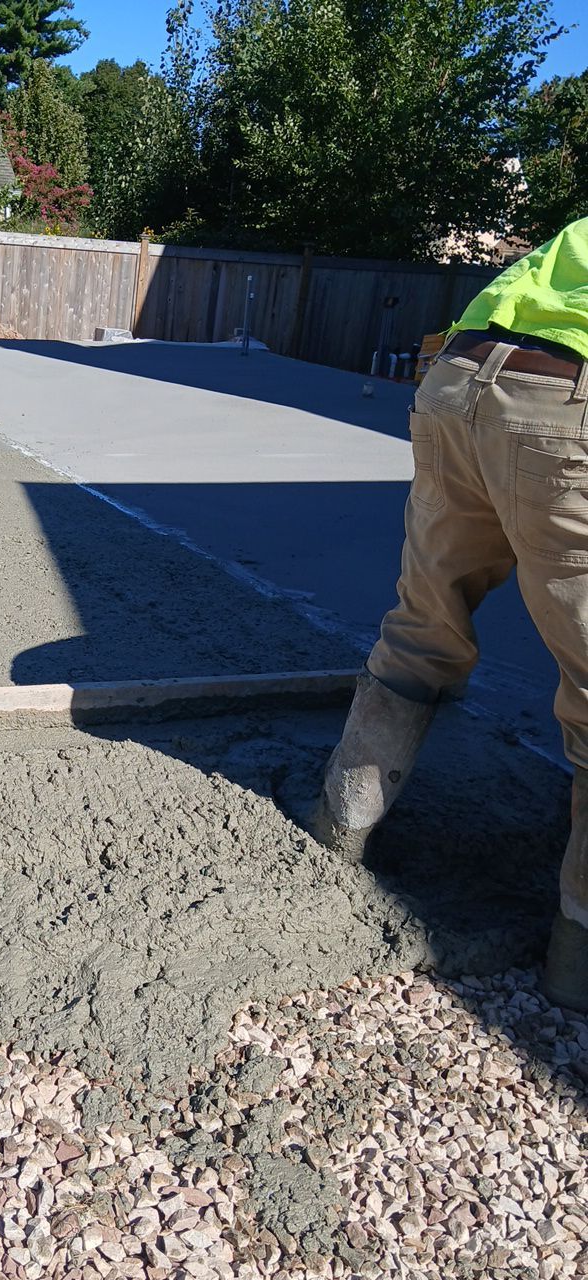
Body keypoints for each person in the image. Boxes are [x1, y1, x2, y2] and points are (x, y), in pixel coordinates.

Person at [310, 217, 588, 1013]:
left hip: (458, 382)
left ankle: (339, 827)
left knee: (424, 624)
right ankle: (578, 956)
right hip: (564, 402)